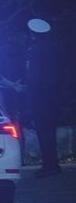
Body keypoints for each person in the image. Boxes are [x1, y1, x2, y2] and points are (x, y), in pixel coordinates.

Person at [25, 19, 61, 178]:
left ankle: (49, 164)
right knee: (50, 131)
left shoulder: (35, 49)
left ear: (32, 33)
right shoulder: (54, 47)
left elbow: (34, 76)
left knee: (43, 131)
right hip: (54, 95)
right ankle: (52, 163)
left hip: (40, 97)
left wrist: (29, 94)